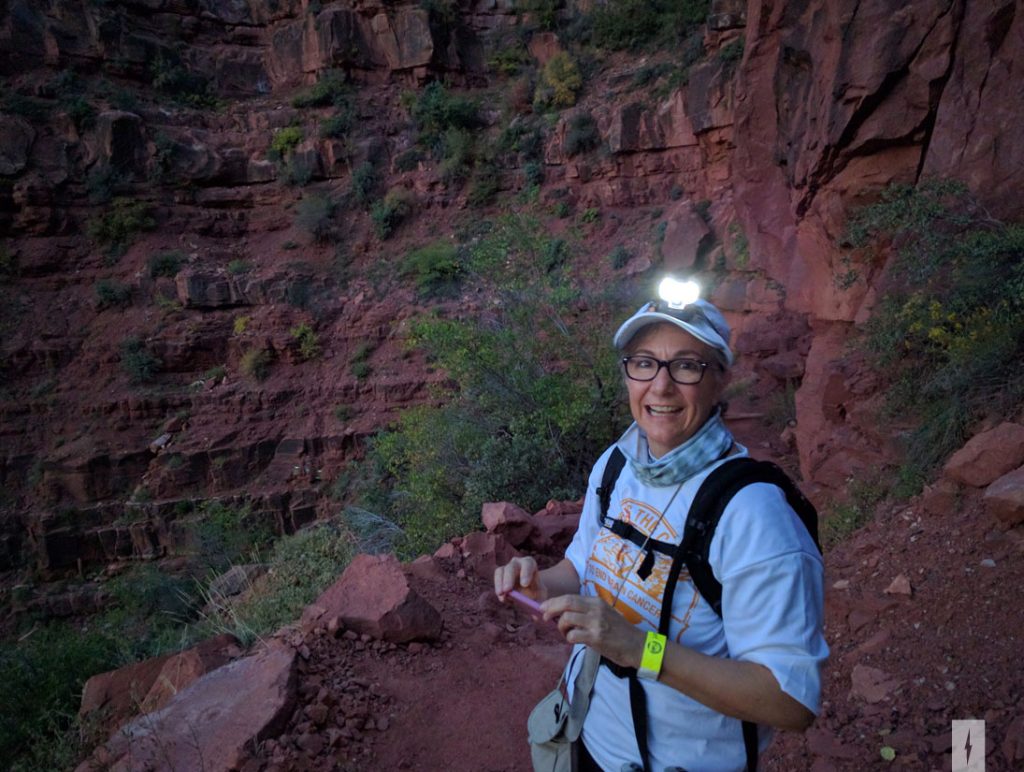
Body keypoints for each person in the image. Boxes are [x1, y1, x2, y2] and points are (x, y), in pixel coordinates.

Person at [494, 281, 828, 771]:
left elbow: (790, 702)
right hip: (590, 737)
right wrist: (540, 582)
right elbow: (582, 565)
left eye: (687, 365)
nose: (661, 385)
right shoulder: (616, 466)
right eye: (644, 362)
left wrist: (639, 648)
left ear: (720, 379)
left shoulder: (754, 515)